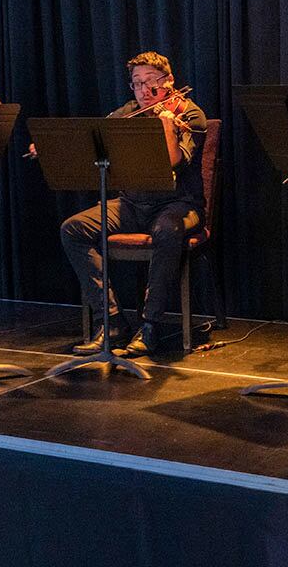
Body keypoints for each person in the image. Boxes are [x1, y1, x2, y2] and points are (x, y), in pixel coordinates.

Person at [60, 51, 207, 357]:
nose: (143, 91)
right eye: (137, 84)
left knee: (168, 230)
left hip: (178, 205)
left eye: (150, 83)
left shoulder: (190, 115)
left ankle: (150, 325)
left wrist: (168, 127)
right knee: (73, 229)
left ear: (168, 82)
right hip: (131, 204)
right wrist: (68, 146)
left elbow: (173, 162)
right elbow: (97, 139)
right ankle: (111, 321)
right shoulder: (129, 113)